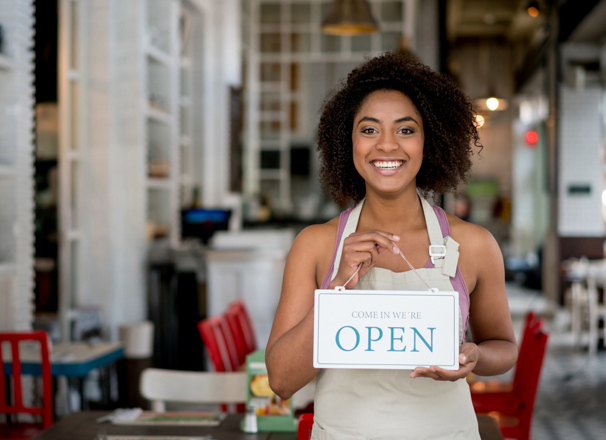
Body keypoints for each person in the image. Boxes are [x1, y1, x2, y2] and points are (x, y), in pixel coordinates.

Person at [265, 52, 517, 440]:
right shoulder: (316, 246)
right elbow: (281, 380)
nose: (386, 145)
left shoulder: (474, 244)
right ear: (347, 141)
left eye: (405, 130)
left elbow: (503, 346)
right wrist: (337, 288)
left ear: (427, 141)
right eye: (368, 130)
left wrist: (476, 356)